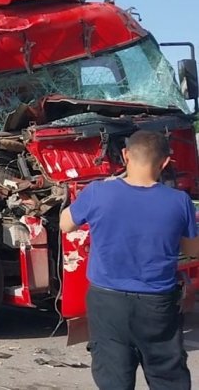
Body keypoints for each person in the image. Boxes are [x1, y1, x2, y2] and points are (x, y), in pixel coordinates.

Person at [60, 130, 199, 390]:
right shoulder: (180, 202)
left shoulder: (97, 192)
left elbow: (65, 223)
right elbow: (193, 250)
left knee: (113, 377)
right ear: (165, 163)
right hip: (157, 305)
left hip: (107, 301)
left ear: (125, 155)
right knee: (167, 376)